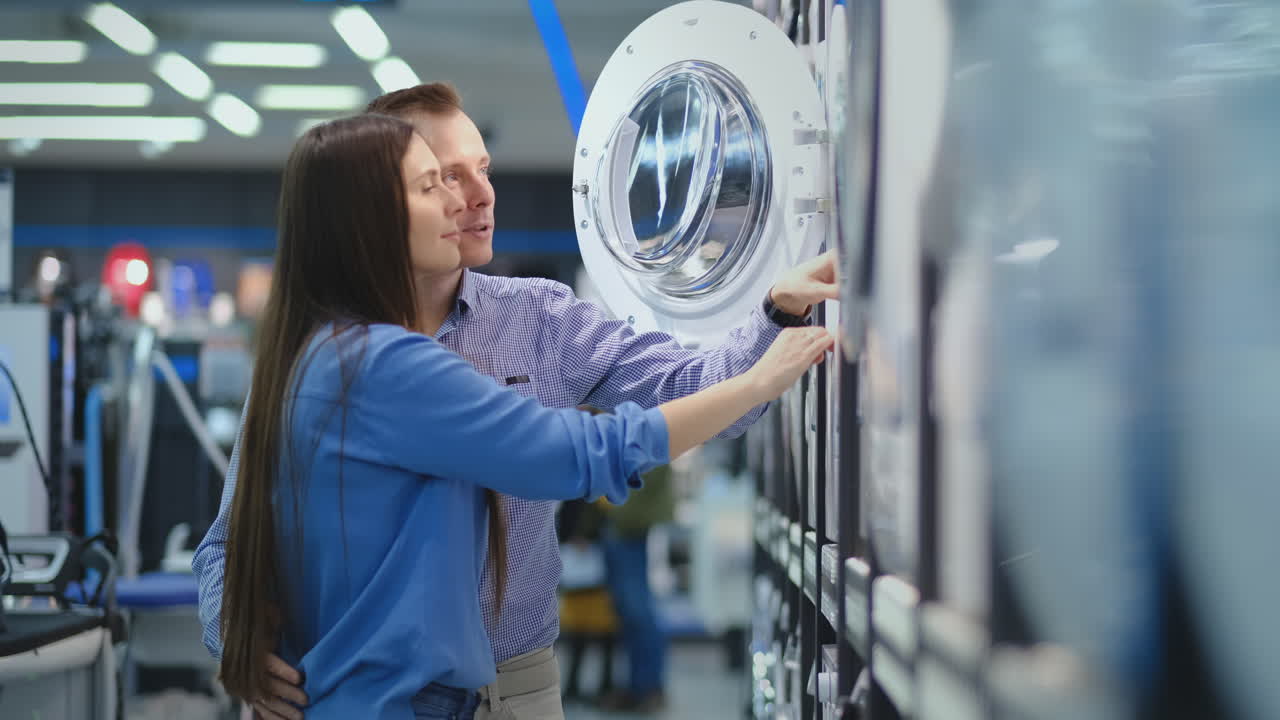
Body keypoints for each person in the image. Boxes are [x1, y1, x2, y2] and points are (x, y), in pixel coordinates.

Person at [194, 83, 839, 720]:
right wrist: (241, 645)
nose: (474, 197)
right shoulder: (351, 360)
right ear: (373, 207)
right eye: (440, 179)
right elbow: (233, 537)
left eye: (482, 170)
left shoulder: (536, 319)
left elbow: (695, 386)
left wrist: (775, 317)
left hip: (507, 688)